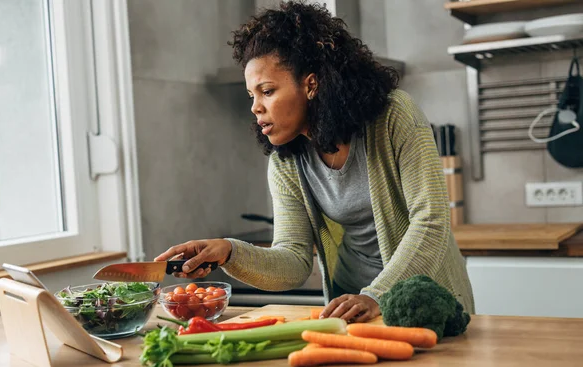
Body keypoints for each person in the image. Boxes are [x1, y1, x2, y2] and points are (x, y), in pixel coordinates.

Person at [155, 1, 475, 322]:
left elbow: (430, 222)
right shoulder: (287, 161)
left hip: (422, 302)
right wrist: (230, 251)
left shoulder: (393, 115)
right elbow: (292, 263)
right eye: (252, 95)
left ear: (310, 84)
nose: (255, 107)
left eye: (266, 91)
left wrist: (376, 295)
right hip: (350, 308)